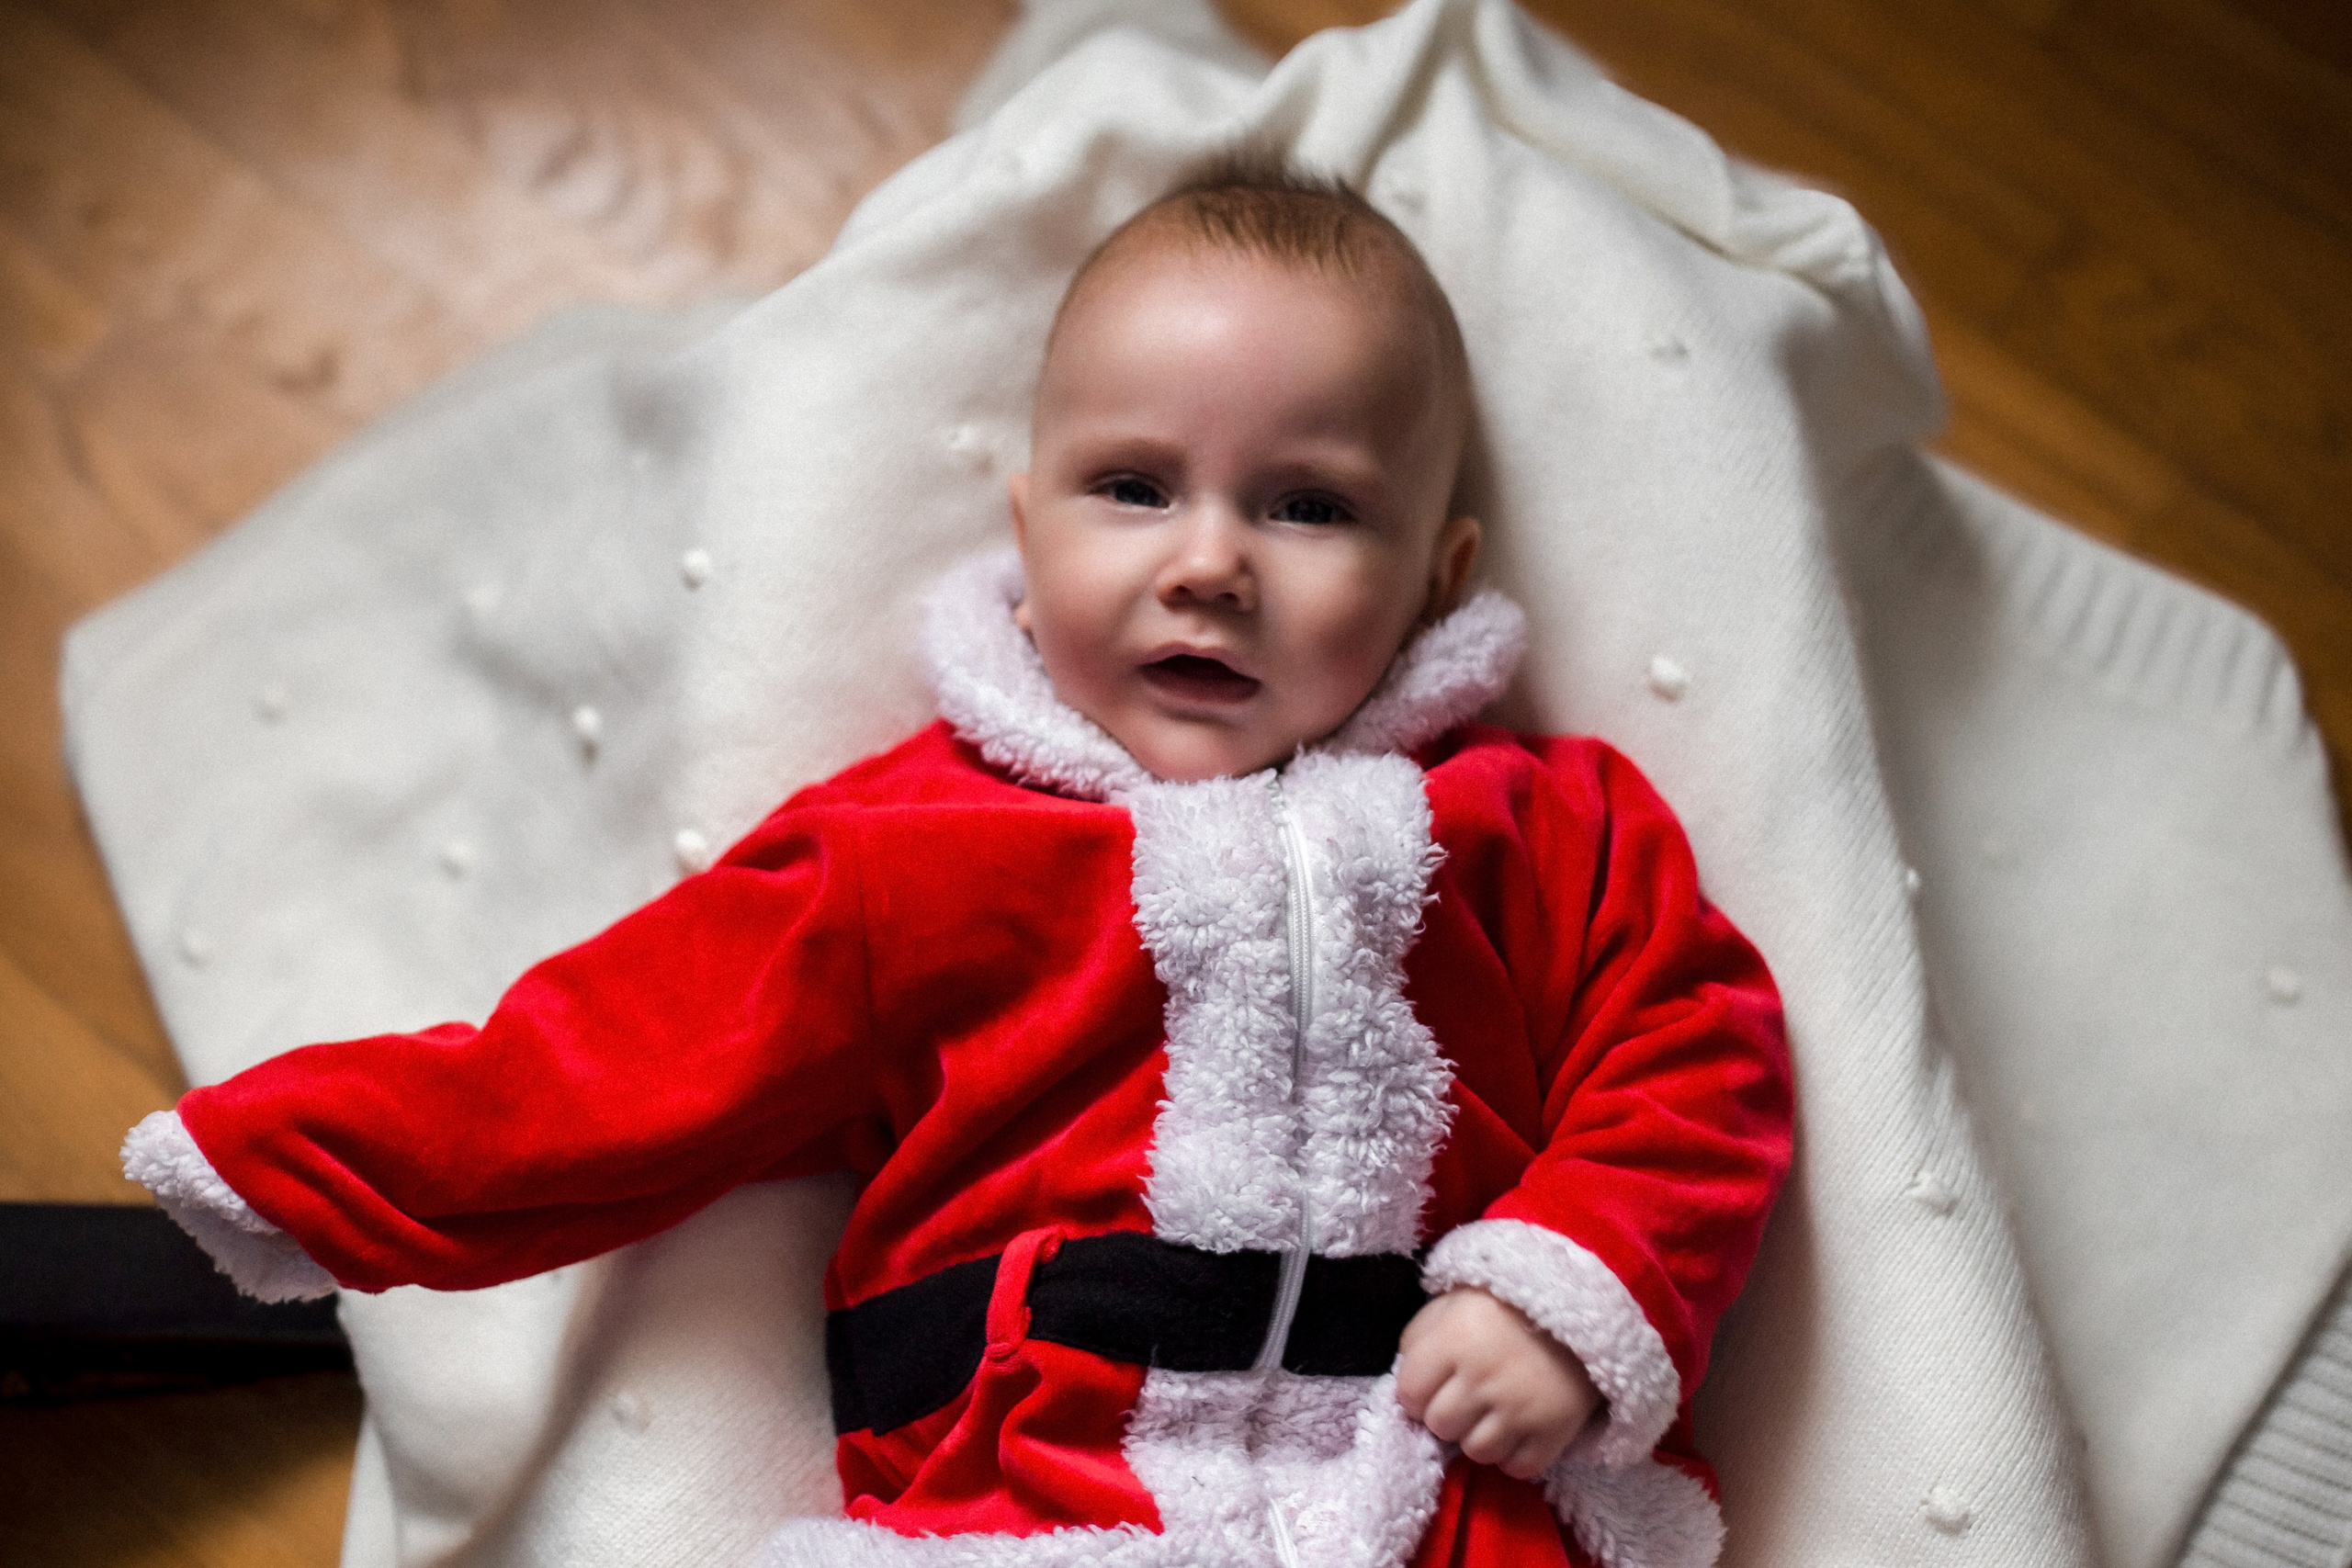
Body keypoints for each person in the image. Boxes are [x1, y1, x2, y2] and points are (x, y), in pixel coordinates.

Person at [124, 160, 1792, 1568]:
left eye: (1307, 508)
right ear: (1027, 525)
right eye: (1133, 489)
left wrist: (1574, 1288)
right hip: (1033, 1486)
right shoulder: (918, 849)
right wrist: (308, 1163)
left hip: (1439, 1475)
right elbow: (621, 1056)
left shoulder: (1535, 825)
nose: (1209, 563)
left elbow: (1697, 1049)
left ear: (1438, 572)